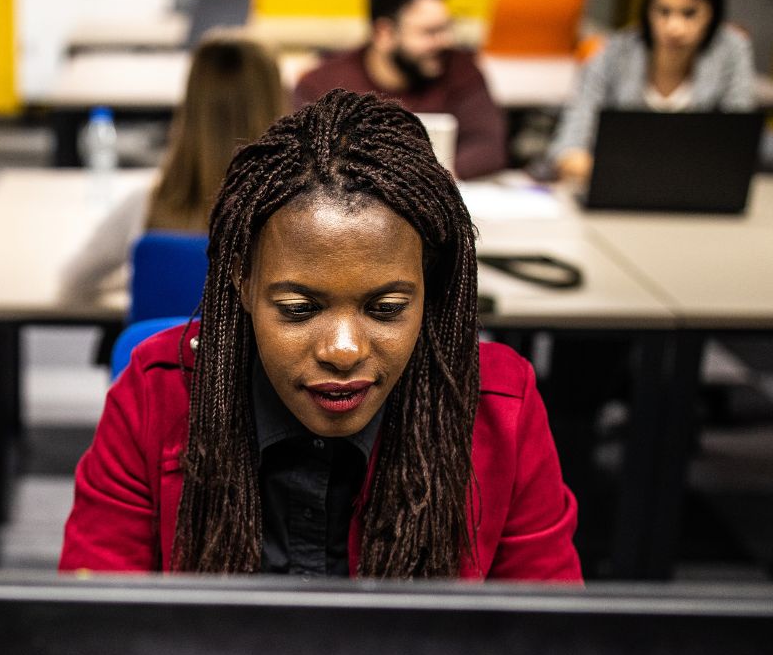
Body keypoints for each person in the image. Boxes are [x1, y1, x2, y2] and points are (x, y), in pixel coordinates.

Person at [60, 90, 580, 581]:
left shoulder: (500, 409)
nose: (343, 350)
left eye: (387, 308)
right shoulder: (157, 395)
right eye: (300, 309)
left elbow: (547, 646)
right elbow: (93, 631)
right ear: (242, 282)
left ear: (430, 286)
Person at [59, 35, 286, 304]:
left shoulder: (144, 206)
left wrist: (137, 279)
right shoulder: (298, 220)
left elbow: (72, 283)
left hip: (164, 347)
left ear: (188, 110)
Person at [549, 0, 755, 183]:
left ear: (713, 14)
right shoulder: (613, 52)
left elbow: (739, 142)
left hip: (699, 194)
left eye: (689, 13)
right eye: (663, 11)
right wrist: (588, 164)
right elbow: (569, 144)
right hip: (620, 189)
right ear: (647, 10)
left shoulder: (731, 50)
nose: (674, 27)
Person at [292, 0, 507, 180]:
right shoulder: (323, 83)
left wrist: (434, 182)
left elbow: (488, 145)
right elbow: (299, 153)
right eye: (430, 32)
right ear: (384, 33)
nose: (445, 41)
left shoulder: (461, 70)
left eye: (447, 28)